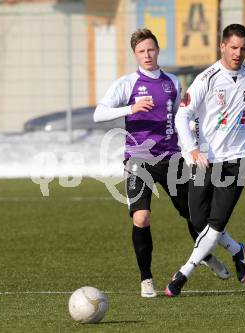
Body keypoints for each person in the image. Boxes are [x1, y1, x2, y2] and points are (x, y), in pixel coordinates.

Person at [93, 29, 230, 298]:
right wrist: (129, 109)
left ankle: (205, 256)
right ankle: (146, 278)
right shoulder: (127, 83)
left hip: (171, 158)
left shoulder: (172, 82)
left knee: (194, 214)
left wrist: (194, 145)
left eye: (151, 49)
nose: (147, 55)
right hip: (138, 159)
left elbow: (184, 117)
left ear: (158, 50)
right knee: (141, 218)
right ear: (135, 54)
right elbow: (99, 113)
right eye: (141, 51)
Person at [164, 24, 245, 297]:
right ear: (222, 46)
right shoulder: (207, 79)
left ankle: (182, 274)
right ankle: (237, 250)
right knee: (197, 219)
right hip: (205, 159)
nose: (239, 53)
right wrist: (191, 149)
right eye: (234, 47)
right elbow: (182, 116)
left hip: (236, 161)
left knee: (214, 224)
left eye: (244, 48)